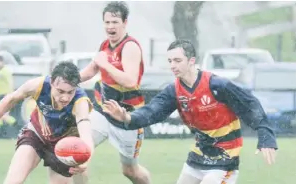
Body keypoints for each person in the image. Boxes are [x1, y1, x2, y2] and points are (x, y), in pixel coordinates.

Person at [102, 39, 278, 184]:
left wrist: (266, 134)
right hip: (197, 158)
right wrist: (127, 116)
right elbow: (152, 111)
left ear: (191, 60)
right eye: (170, 61)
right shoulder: (174, 91)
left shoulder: (217, 85)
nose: (172, 65)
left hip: (225, 160)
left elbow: (249, 105)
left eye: (177, 61)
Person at [0, 62, 94, 184]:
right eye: (60, 91)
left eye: (70, 92)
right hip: (37, 134)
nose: (65, 97)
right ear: (52, 82)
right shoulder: (38, 85)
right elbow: (9, 100)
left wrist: (86, 160)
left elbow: (86, 134)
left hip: (63, 145)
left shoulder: (80, 101)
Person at [75, 1, 151, 184]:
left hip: (127, 117)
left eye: (115, 22)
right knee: (77, 154)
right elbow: (90, 71)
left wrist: (106, 64)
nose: (110, 26)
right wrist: (63, 79)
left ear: (125, 23)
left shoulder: (130, 46)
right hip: (102, 112)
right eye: (107, 22)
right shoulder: (104, 45)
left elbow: (131, 81)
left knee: (130, 171)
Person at [0, 55, 16, 127]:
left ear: (2, 62)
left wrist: (9, 95)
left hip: (5, 95)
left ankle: (16, 125)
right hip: (0, 95)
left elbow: (10, 83)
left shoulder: (6, 71)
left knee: (3, 115)